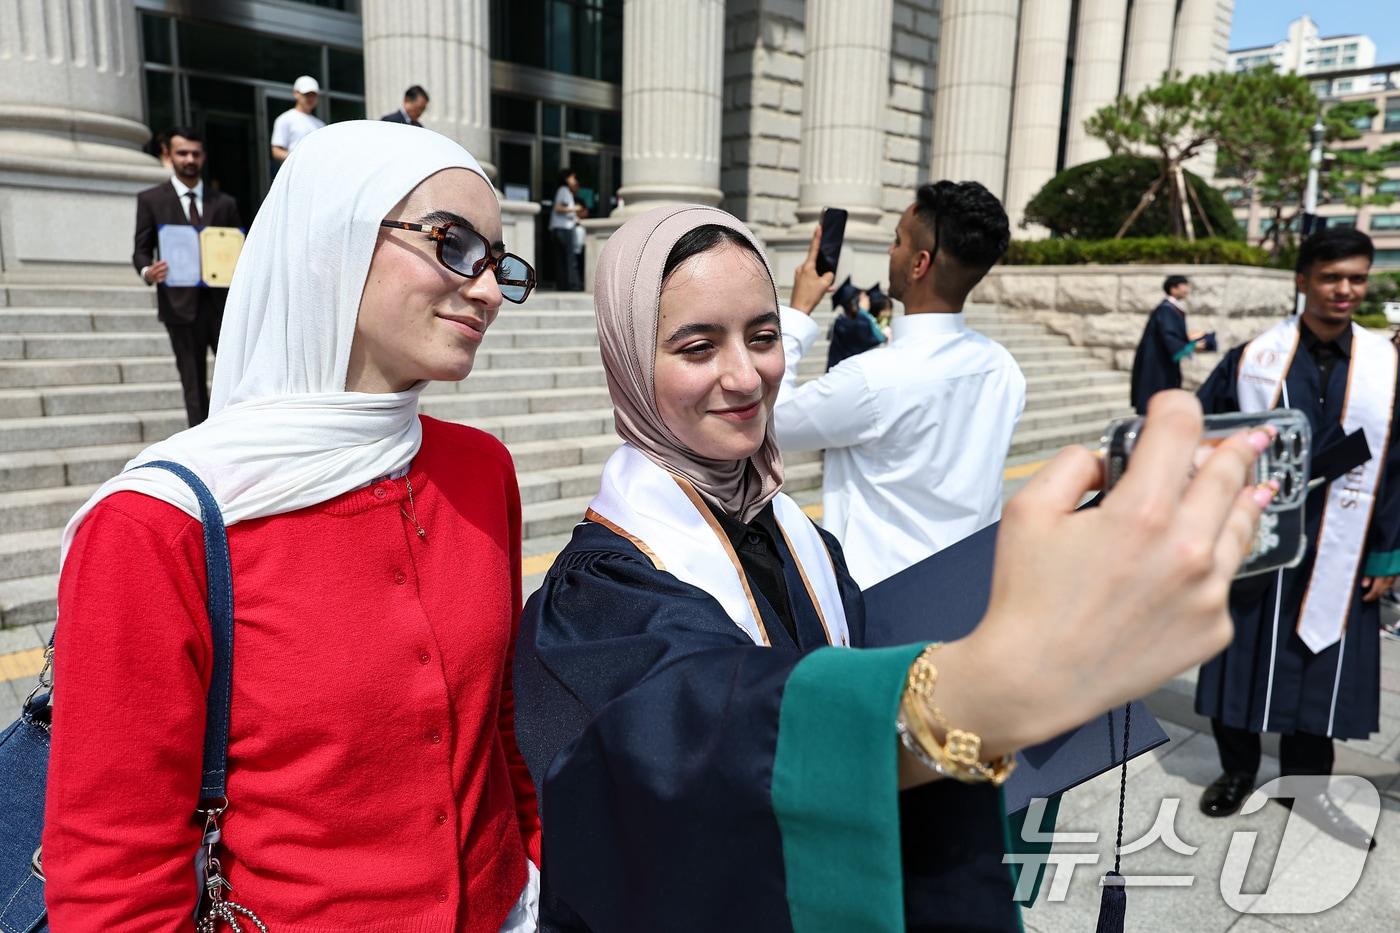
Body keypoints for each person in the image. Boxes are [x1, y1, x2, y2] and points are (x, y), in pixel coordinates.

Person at [513, 203, 1277, 931]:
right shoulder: (591, 600)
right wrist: (977, 692)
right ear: (626, 358)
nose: (746, 377)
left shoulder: (795, 532)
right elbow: (691, 733)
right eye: (697, 347)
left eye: (764, 335)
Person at [46, 121, 541, 930]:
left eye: (497, 261)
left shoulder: (481, 470)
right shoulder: (153, 527)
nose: (487, 290)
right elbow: (114, 873)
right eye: (452, 244)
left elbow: (504, 728)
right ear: (329, 242)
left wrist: (540, 873)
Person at [1193, 228, 1399, 849]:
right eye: (1331, 277)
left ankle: (1307, 787)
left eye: (1356, 278)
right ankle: (1236, 771)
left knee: (1321, 669)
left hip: (1344, 545)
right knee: (1239, 656)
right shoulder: (1251, 359)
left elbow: (1399, 465)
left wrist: (1388, 551)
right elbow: (1205, 438)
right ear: (1302, 279)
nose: (1345, 289)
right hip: (1256, 540)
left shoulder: (1387, 366)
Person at [773, 181, 1027, 588]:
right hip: (970, 585)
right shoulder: (1003, 367)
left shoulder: (872, 379)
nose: (891, 251)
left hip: (885, 594)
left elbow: (773, 421)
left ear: (919, 263)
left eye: (897, 241)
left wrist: (798, 312)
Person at [132, 126, 243, 426]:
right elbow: (140, 251)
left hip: (222, 306)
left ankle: (235, 431)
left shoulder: (225, 203)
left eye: (195, 153)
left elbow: (239, 249)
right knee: (193, 383)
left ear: (203, 156)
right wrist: (148, 271)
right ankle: (200, 441)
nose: (189, 159)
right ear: (168, 155)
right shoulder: (151, 200)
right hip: (179, 305)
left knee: (237, 377)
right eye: (182, 153)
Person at [1129, 274, 1215, 414]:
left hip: (1163, 360)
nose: (1187, 289)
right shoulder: (1166, 309)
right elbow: (1169, 336)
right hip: (1158, 363)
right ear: (1173, 289)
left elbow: (1174, 333)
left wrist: (1192, 337)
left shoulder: (1172, 308)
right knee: (1157, 395)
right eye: (1184, 285)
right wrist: (1191, 346)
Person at [825, 276, 886, 370]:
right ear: (854, 303)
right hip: (844, 374)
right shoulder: (850, 325)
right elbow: (878, 339)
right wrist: (862, 311)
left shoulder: (847, 322)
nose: (868, 300)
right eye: (863, 298)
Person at [270, 75, 326, 162]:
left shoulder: (321, 125)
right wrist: (299, 160)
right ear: (296, 94)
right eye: (307, 94)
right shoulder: (285, 119)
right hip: (296, 170)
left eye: (313, 95)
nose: (310, 98)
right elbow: (276, 151)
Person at [549, 168, 585, 291]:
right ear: (566, 178)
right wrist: (575, 209)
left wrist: (574, 217)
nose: (575, 181)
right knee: (570, 259)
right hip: (565, 229)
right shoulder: (564, 190)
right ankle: (573, 285)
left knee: (561, 259)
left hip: (558, 228)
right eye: (573, 177)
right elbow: (558, 208)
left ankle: (562, 285)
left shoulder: (562, 191)